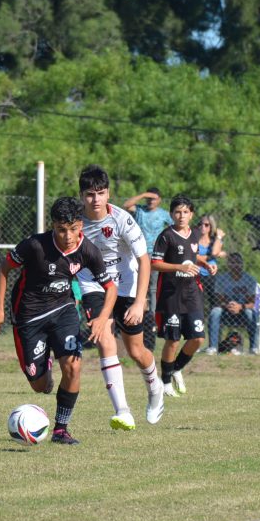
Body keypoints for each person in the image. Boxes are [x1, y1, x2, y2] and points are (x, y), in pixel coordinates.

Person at [0, 196, 116, 445]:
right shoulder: (34, 245)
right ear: (53, 226)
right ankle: (45, 365)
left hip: (63, 310)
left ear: (81, 225)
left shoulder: (88, 250)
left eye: (73, 229)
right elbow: (4, 268)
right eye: (61, 229)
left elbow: (110, 287)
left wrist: (102, 318)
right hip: (29, 316)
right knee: (40, 386)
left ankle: (61, 429)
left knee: (73, 366)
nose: (68, 236)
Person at [77, 166, 166, 430]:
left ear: (108, 193)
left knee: (136, 351)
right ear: (82, 196)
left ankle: (155, 388)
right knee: (104, 340)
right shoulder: (76, 222)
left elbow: (144, 260)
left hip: (127, 287)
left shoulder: (122, 220)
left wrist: (139, 302)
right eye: (90, 194)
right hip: (94, 286)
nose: (95, 199)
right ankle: (123, 411)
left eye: (100, 193)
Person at [151, 194, 211, 398]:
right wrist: (179, 267)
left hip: (192, 293)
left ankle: (176, 368)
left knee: (198, 338)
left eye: (185, 212)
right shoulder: (166, 236)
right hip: (171, 295)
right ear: (171, 214)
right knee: (173, 340)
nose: (182, 215)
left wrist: (205, 264)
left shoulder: (194, 234)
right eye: (177, 212)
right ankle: (166, 382)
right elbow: (155, 263)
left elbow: (192, 255)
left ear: (191, 214)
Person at [123, 186, 172, 349]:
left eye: (154, 198)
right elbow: (126, 205)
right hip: (137, 253)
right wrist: (143, 194)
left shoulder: (163, 214)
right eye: (148, 198)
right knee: (135, 284)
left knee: (152, 287)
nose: (151, 201)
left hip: (155, 254)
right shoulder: (139, 210)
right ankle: (136, 312)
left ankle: (152, 318)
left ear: (159, 200)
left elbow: (174, 226)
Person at [206, 253, 259, 355]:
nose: (236, 265)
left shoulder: (250, 279)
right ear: (228, 264)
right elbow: (218, 300)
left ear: (242, 264)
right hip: (226, 311)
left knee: (250, 313)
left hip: (243, 312)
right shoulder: (221, 279)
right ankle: (213, 347)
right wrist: (228, 306)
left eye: (238, 262)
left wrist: (240, 307)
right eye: (232, 262)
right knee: (215, 312)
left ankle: (253, 348)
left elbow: (253, 303)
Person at [197, 214, 225, 317]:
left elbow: (214, 251)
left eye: (206, 225)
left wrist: (219, 236)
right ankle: (199, 324)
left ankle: (213, 325)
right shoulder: (194, 239)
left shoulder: (215, 240)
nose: (203, 227)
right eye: (200, 224)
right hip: (198, 273)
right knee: (198, 303)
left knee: (215, 304)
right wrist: (212, 256)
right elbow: (194, 257)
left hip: (211, 274)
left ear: (211, 226)